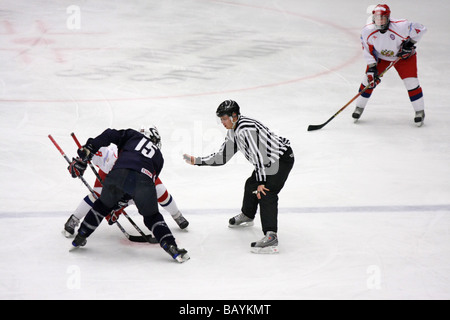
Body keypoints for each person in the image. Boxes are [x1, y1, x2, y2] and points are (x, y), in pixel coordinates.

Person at [183, 100, 294, 254]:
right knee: (251, 185)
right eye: (220, 119)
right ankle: (248, 215)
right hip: (267, 162)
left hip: (280, 159)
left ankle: (271, 236)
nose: (222, 122)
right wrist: (198, 161)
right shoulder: (234, 131)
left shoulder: (245, 130)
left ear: (234, 116)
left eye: (224, 118)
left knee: (265, 192)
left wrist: (262, 182)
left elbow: (259, 155)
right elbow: (222, 157)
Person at [68, 126, 189, 263]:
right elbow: (143, 185)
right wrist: (122, 203)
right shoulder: (159, 157)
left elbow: (108, 135)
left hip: (118, 174)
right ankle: (171, 246)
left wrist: (88, 149)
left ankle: (81, 235)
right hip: (143, 181)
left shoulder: (132, 135)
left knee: (101, 206)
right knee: (152, 217)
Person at [352, 4, 427, 126]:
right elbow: (367, 50)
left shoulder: (402, 25)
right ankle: (358, 108)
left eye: (383, 18)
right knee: (368, 80)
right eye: (377, 18)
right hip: (381, 57)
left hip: (403, 58)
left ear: (388, 18)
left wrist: (409, 44)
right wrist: (372, 67)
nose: (380, 21)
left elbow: (422, 29)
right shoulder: (367, 31)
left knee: (411, 82)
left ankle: (419, 111)